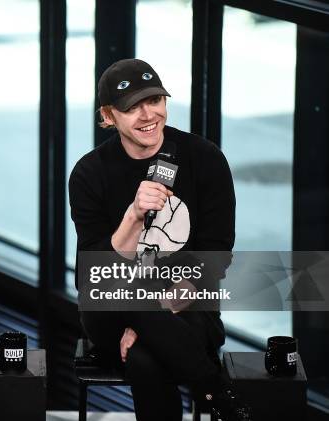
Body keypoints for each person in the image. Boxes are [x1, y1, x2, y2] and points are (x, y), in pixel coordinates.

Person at [69, 59, 252, 421]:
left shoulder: (205, 159)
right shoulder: (90, 173)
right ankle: (217, 394)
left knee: (145, 358)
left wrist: (153, 317)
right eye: (131, 107)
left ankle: (216, 396)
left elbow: (216, 256)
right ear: (108, 116)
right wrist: (134, 217)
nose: (147, 114)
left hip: (187, 302)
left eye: (154, 100)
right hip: (111, 310)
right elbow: (94, 277)